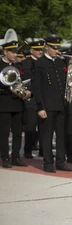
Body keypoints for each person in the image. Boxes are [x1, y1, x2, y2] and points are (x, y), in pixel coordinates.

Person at [33, 36, 72, 173]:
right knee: (47, 135)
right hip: (47, 105)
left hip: (61, 105)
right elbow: (37, 87)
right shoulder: (40, 63)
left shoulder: (61, 62)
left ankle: (60, 161)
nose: (56, 50)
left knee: (62, 135)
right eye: (54, 47)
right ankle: (48, 162)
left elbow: (65, 82)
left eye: (58, 48)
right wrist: (40, 107)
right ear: (47, 47)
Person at [0, 40, 29, 168]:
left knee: (18, 132)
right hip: (4, 103)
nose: (14, 54)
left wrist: (28, 92)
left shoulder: (18, 66)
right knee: (4, 133)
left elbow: (27, 81)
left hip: (18, 103)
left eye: (16, 52)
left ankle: (16, 157)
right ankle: (5, 157)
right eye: (12, 52)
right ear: (5, 52)